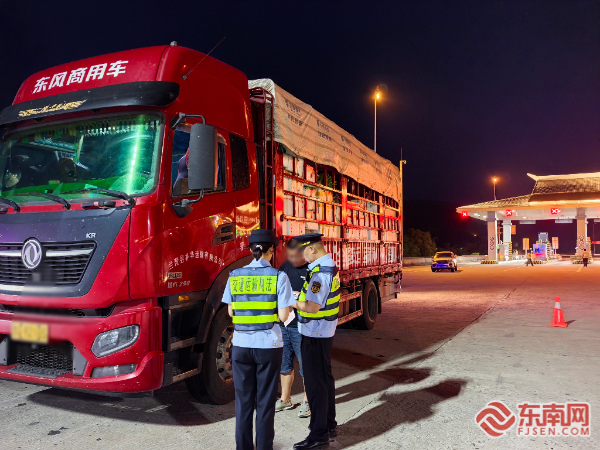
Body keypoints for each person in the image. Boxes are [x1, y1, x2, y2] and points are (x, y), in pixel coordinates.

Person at [221, 229, 296, 450]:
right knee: (265, 403)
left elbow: (231, 312)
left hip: (241, 345)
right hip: (268, 345)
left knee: (243, 403)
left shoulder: (235, 275)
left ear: (251, 250)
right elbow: (283, 316)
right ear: (271, 250)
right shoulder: (278, 276)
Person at [292, 233, 339, 450]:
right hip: (323, 333)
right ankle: (328, 425)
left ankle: (318, 435)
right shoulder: (329, 268)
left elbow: (312, 307)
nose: (302, 257)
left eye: (303, 251)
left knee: (315, 385)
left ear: (312, 248)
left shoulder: (320, 275)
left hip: (315, 335)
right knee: (325, 380)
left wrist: (292, 301)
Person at [275, 238, 310, 418]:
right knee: (284, 364)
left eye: (296, 256)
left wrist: (294, 299)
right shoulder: (284, 268)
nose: (293, 259)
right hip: (284, 324)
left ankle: (308, 401)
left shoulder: (312, 270)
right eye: (290, 256)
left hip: (303, 326)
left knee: (306, 366)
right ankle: (285, 399)